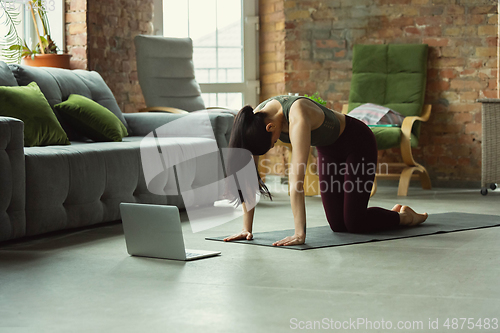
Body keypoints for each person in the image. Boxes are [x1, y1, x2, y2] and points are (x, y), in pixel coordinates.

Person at [223, 95, 428, 247]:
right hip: (329, 151)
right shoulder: (254, 124)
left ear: (270, 128)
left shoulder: (297, 115)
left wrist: (299, 234)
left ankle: (407, 218)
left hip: (357, 142)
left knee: (354, 221)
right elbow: (249, 179)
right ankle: (390, 215)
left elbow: (297, 182)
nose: (276, 143)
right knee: (339, 225)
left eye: (273, 141)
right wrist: (246, 229)